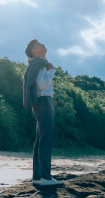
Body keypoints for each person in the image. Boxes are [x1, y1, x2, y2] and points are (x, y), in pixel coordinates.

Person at [22, 39, 63, 186]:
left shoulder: (37, 63)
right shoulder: (39, 63)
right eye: (39, 44)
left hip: (40, 103)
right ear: (34, 50)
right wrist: (51, 70)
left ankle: (38, 177)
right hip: (45, 101)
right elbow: (42, 84)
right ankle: (46, 177)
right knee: (45, 140)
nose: (43, 45)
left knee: (40, 140)